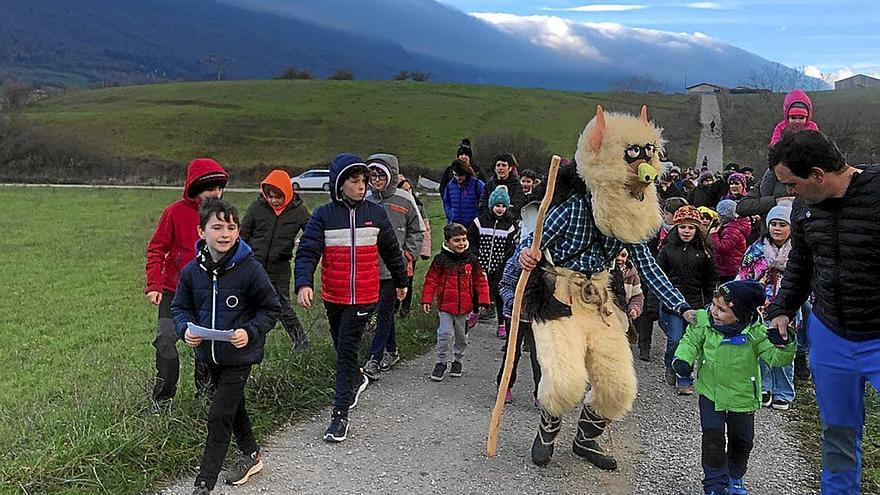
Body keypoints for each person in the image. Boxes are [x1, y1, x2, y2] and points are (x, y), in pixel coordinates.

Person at [764, 130, 880, 494]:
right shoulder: (803, 206)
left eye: (792, 183)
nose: (789, 192)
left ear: (817, 175)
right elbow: (801, 262)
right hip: (830, 333)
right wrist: (782, 308)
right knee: (838, 435)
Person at [294, 153, 409, 443]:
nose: (362, 187)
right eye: (355, 182)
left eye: (364, 182)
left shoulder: (376, 213)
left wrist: (400, 281)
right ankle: (357, 378)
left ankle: (339, 416)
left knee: (346, 349)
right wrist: (303, 284)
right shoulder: (323, 216)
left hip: (365, 295)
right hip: (334, 295)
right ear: (339, 185)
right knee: (341, 345)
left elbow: (391, 250)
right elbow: (307, 252)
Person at [172, 198, 281, 495]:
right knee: (234, 408)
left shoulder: (250, 269)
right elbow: (180, 308)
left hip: (240, 355)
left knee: (219, 414)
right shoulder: (192, 272)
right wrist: (185, 330)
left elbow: (271, 308)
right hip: (208, 355)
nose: (225, 234)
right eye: (217, 227)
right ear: (201, 231)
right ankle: (251, 454)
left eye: (231, 227)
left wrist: (250, 330)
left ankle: (204, 483)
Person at [673, 280, 796, 495]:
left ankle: (735, 477)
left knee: (742, 441)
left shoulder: (755, 332)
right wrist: (682, 359)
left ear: (740, 313)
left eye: (722, 309)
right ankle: (714, 484)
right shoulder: (704, 322)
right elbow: (690, 341)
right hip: (711, 393)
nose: (714, 311)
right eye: (713, 305)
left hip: (743, 397)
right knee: (713, 440)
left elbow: (776, 358)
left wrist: (785, 343)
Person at [145, 158, 228, 412]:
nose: (215, 194)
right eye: (209, 189)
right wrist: (154, 285)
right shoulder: (174, 213)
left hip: (206, 295)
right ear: (194, 189)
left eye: (219, 188)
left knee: (204, 349)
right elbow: (156, 250)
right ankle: (162, 401)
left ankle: (205, 400)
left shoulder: (223, 217)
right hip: (173, 293)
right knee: (166, 343)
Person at [362, 154, 425, 380]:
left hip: (394, 267)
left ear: (391, 177)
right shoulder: (365, 199)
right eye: (372, 176)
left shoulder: (405, 199)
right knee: (379, 309)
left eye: (381, 175)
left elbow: (418, 231)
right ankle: (392, 350)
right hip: (369, 266)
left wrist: (408, 255)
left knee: (385, 310)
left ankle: (374, 358)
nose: (376, 180)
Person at [240, 169, 311, 348]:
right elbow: (243, 234)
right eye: (269, 196)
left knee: (282, 307)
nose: (273, 200)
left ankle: (300, 342)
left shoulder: (299, 211)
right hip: (253, 265)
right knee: (248, 305)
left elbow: (312, 234)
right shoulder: (257, 207)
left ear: (287, 194)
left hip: (280, 267)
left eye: (277, 197)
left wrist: (304, 244)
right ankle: (246, 342)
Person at [737, 204, 797, 410]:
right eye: (773, 224)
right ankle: (764, 386)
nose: (777, 229)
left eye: (782, 224)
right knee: (761, 346)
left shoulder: (798, 252)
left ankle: (784, 391)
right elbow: (744, 275)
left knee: (783, 347)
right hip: (760, 307)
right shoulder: (756, 249)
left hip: (787, 306)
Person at [657, 205, 719, 395]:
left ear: (697, 229)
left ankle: (684, 377)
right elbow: (658, 278)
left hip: (696, 305)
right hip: (672, 305)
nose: (686, 231)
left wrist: (710, 303)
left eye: (691, 227)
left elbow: (712, 280)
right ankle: (671, 363)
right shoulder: (667, 250)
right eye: (683, 227)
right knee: (675, 339)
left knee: (691, 342)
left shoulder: (705, 252)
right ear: (676, 228)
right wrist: (653, 306)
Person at [421, 223, 490, 381]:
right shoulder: (441, 260)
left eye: (464, 239)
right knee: (444, 334)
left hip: (465, 308)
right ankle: (441, 362)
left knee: (461, 337)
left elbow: (480, 280)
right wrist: (427, 299)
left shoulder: (471, 259)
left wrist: (483, 300)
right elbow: (431, 280)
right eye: (457, 240)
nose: (461, 243)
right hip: (445, 306)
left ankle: (457, 360)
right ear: (447, 242)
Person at [468, 185, 516, 338]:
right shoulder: (479, 222)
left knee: (498, 294)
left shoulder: (510, 226)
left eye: (503, 206)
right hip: (480, 263)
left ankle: (501, 322)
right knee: (477, 289)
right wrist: (475, 257)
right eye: (497, 205)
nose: (500, 209)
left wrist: (504, 264)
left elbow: (510, 248)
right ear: (491, 205)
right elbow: (471, 241)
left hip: (499, 266)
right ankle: (475, 311)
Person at [496, 254, 543, 408]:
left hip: (538, 318)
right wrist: (513, 302)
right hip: (515, 316)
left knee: (540, 357)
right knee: (512, 353)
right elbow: (504, 286)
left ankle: (541, 393)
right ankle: (505, 386)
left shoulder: (548, 265)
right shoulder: (516, 261)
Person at [397, 176, 432, 317]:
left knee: (408, 280)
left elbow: (425, 230)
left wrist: (424, 250)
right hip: (397, 248)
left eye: (409, 189)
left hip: (411, 250)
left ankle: (405, 309)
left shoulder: (418, 207)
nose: (408, 192)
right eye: (404, 190)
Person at [609, 248, 644, 347]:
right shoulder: (603, 271)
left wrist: (634, 308)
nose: (619, 259)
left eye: (623, 255)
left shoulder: (632, 274)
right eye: (617, 255)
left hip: (622, 318)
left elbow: (637, 296)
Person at [711, 200, 751, 283]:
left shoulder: (732, 230)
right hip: (727, 268)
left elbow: (723, 248)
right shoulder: (732, 227)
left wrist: (714, 235)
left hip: (729, 270)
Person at [479, 153, 526, 220]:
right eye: (498, 165)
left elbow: (518, 206)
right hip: (490, 223)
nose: (500, 168)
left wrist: (504, 216)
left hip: (509, 223)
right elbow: (483, 205)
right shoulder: (489, 185)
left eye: (504, 165)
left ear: (510, 168)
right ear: (495, 169)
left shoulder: (516, 186)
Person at [442, 158, 485, 226]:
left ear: (466, 173)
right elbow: (446, 203)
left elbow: (485, 202)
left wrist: (478, 218)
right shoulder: (450, 186)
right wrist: (451, 215)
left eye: (461, 175)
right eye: (455, 175)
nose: (458, 178)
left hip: (473, 226)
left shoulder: (477, 185)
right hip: (455, 225)